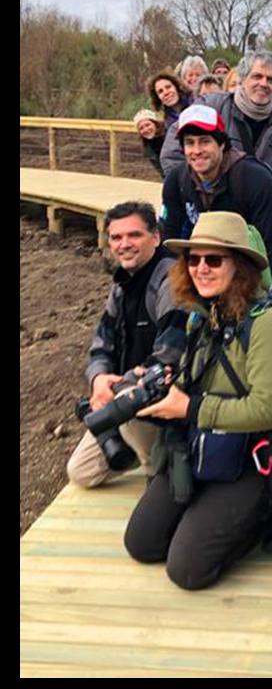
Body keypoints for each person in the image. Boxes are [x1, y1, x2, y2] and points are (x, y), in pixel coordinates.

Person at [124, 212, 272, 590]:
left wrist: (190, 408)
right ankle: (208, 511)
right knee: (142, 543)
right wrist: (159, 385)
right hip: (202, 445)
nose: (201, 268)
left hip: (250, 458)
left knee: (187, 570)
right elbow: (195, 379)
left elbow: (268, 409)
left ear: (241, 266)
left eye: (214, 260)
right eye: (193, 259)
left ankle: (270, 511)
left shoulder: (268, 324)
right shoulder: (204, 316)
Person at [66, 202, 186, 489]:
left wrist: (117, 389)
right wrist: (98, 380)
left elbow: (169, 357)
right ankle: (143, 449)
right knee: (81, 472)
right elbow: (101, 343)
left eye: (134, 235)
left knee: (129, 402)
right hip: (123, 395)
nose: (124, 244)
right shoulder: (122, 284)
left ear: (155, 237)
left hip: (164, 398)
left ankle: (160, 475)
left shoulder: (171, 282)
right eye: (116, 237)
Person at [160, 104, 272, 284]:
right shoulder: (177, 180)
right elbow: (169, 236)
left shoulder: (254, 178)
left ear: (222, 143)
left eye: (205, 141)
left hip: (254, 270)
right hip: (207, 268)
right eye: (189, 143)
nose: (197, 150)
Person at [161, 49, 272, 211]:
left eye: (271, 80)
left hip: (262, 213)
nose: (264, 83)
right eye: (257, 76)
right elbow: (171, 154)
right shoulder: (210, 107)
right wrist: (199, 192)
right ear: (242, 79)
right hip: (211, 211)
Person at [132, 109, 166, 178]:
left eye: (147, 125)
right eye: (141, 128)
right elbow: (161, 170)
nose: (146, 129)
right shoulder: (148, 147)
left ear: (155, 123)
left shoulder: (169, 136)